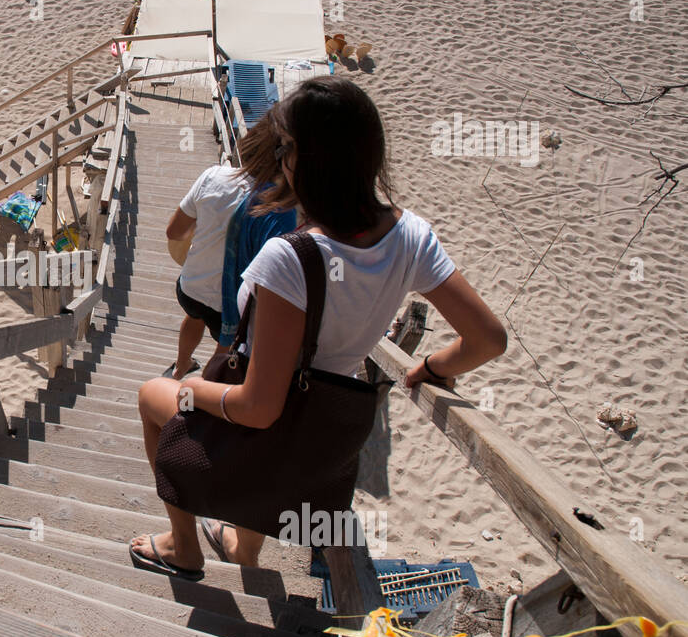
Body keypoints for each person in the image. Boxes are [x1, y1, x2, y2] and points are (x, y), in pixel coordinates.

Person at [129, 77, 508, 576]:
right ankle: (244, 548)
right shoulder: (410, 235)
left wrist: (194, 388)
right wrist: (433, 366)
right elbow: (488, 340)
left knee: (153, 396)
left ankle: (184, 545)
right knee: (271, 425)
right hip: (318, 439)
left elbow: (259, 408)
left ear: (298, 160)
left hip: (259, 431)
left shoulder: (290, 258)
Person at [164, 137, 296, 381]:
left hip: (191, 285)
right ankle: (202, 388)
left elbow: (174, 232)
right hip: (228, 304)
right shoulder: (279, 211)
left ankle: (181, 367)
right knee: (224, 348)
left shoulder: (213, 176)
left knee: (194, 317)